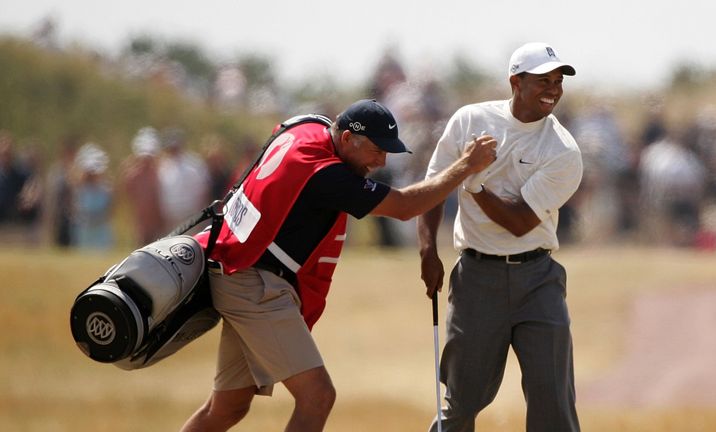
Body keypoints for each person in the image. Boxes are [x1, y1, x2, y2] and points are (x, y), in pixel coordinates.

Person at [180, 99, 496, 432]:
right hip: (254, 282)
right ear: (346, 139)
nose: (381, 161)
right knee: (317, 396)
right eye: (376, 150)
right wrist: (466, 165)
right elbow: (406, 206)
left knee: (227, 407)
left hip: (239, 269)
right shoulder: (327, 174)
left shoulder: (307, 129)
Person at [418, 42, 583, 431]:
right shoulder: (469, 121)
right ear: (516, 81)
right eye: (544, 80)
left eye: (558, 81)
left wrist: (472, 183)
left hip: (537, 278)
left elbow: (519, 222)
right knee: (461, 401)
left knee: (553, 402)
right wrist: (428, 251)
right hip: (476, 277)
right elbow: (434, 187)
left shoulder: (563, 151)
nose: (553, 89)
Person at [119, 127, 166, 246]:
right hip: (141, 222)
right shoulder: (133, 175)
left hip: (158, 221)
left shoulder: (160, 172)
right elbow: (127, 195)